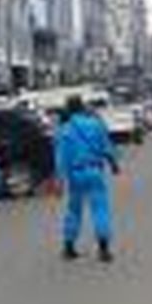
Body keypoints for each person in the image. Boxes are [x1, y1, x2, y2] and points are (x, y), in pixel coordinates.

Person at [55, 95, 120, 263]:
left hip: (75, 174)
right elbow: (107, 147)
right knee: (100, 209)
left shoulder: (64, 129)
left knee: (74, 210)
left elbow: (61, 157)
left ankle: (69, 248)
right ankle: (104, 249)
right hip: (95, 171)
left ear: (68, 109)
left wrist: (59, 180)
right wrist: (114, 164)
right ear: (82, 107)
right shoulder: (96, 124)